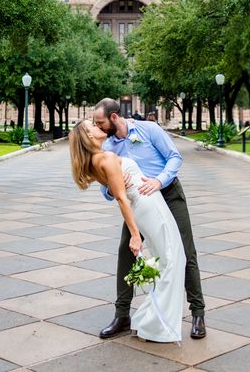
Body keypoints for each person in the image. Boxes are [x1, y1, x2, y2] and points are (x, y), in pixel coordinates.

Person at [93, 98, 206, 340]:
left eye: (100, 122)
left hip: (168, 194)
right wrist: (114, 189)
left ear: (114, 117)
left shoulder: (149, 129)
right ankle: (122, 315)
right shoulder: (107, 149)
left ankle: (198, 313)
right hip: (140, 205)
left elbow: (174, 157)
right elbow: (105, 192)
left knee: (185, 252)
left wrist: (159, 180)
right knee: (126, 252)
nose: (98, 126)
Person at [69, 120, 186, 343]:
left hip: (144, 205)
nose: (97, 127)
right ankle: (155, 324)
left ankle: (152, 321)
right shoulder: (107, 158)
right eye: (92, 126)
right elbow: (121, 199)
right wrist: (134, 235)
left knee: (166, 260)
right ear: (88, 136)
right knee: (172, 260)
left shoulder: (98, 159)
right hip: (148, 205)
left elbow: (119, 192)